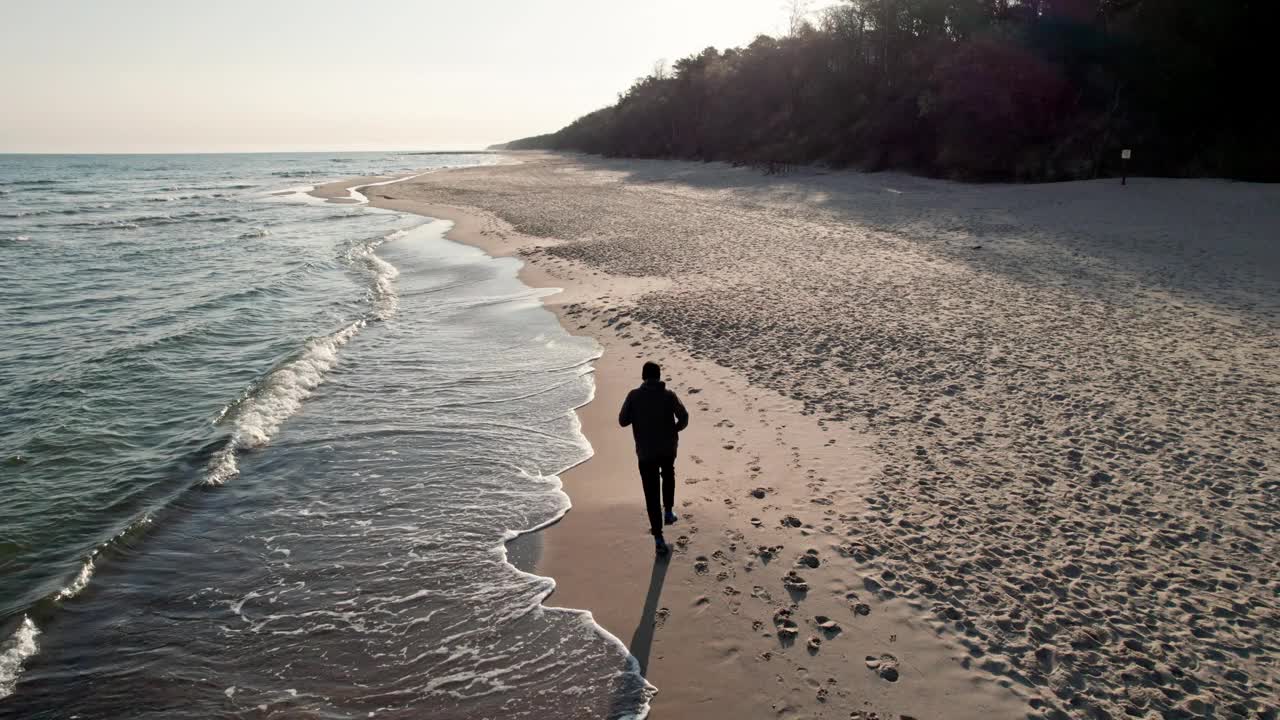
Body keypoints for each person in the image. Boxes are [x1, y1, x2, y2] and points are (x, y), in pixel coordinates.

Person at [618, 361, 689, 554]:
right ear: (659, 377)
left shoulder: (633, 396)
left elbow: (623, 421)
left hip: (646, 452)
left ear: (643, 377)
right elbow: (684, 417)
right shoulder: (669, 395)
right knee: (668, 474)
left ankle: (658, 538)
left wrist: (639, 414)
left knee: (651, 493)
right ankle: (668, 512)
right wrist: (674, 430)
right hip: (667, 448)